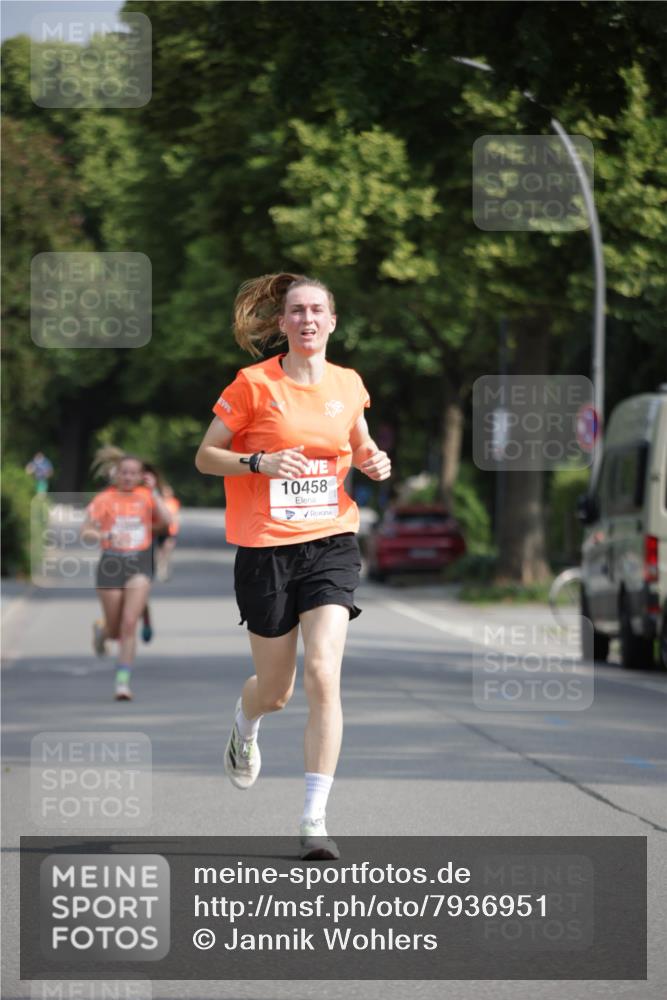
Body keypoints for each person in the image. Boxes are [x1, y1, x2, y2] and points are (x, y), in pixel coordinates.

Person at [195, 272, 391, 860]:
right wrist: (258, 462)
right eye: (296, 311)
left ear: (332, 321)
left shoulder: (348, 383)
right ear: (282, 323)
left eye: (317, 311)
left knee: (324, 674)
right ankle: (246, 723)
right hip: (265, 548)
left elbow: (358, 445)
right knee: (277, 691)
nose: (307, 320)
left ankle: (314, 818)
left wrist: (374, 460)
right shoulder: (253, 385)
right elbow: (206, 457)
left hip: (331, 540)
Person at [81, 454, 172, 701]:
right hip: (110, 564)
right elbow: (86, 531)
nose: (128, 477)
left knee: (128, 624)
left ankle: (122, 683)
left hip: (139, 563)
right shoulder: (104, 499)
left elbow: (167, 522)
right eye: (124, 472)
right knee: (113, 630)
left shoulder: (146, 497)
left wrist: (154, 492)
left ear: (141, 476)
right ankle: (102, 632)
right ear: (116, 474)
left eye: (133, 473)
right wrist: (104, 537)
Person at [156, 484, 181, 581]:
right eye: (165, 491)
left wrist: (176, 525)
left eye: (168, 491)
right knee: (159, 550)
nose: (167, 493)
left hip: (171, 530)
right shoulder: (159, 502)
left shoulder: (174, 502)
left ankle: (164, 568)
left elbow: (176, 515)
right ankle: (159, 567)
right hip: (161, 530)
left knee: (168, 550)